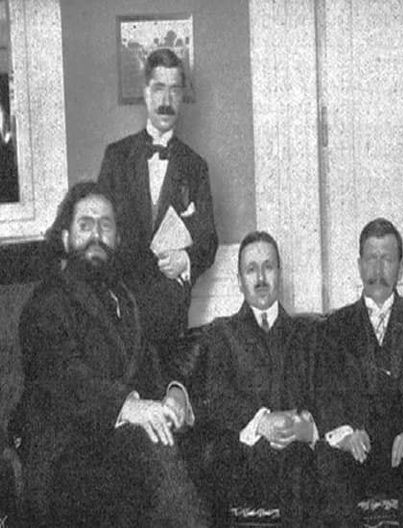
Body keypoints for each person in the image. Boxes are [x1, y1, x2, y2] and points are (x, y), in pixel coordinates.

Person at [10, 182, 207, 527]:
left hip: (117, 450)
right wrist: (129, 407)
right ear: (66, 238)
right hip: (63, 458)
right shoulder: (47, 304)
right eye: (85, 225)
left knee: (181, 445)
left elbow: (148, 366)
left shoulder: (124, 300)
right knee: (150, 449)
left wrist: (173, 395)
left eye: (105, 226)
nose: (96, 236)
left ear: (117, 239)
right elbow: (66, 378)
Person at [314, 218, 403, 527]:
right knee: (326, 461)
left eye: (387, 259)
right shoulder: (334, 328)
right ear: (359, 265)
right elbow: (325, 395)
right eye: (371, 259)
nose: (378, 269)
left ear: (400, 268)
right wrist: (346, 433)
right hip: (355, 455)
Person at [183, 231, 318, 527]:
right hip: (244, 458)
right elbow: (218, 398)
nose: (260, 278)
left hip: (295, 455)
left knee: (302, 465)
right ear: (239, 280)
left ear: (279, 274)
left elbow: (318, 394)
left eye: (268, 267)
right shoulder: (221, 333)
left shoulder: (307, 334)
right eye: (251, 269)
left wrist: (306, 426)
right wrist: (261, 421)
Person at [98, 47, 218, 343]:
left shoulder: (196, 166)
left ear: (182, 96)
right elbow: (101, 230)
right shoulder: (116, 157)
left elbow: (208, 241)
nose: (166, 101)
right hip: (121, 312)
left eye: (175, 90)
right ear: (146, 93)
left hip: (170, 312)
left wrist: (185, 260)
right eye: (159, 88)